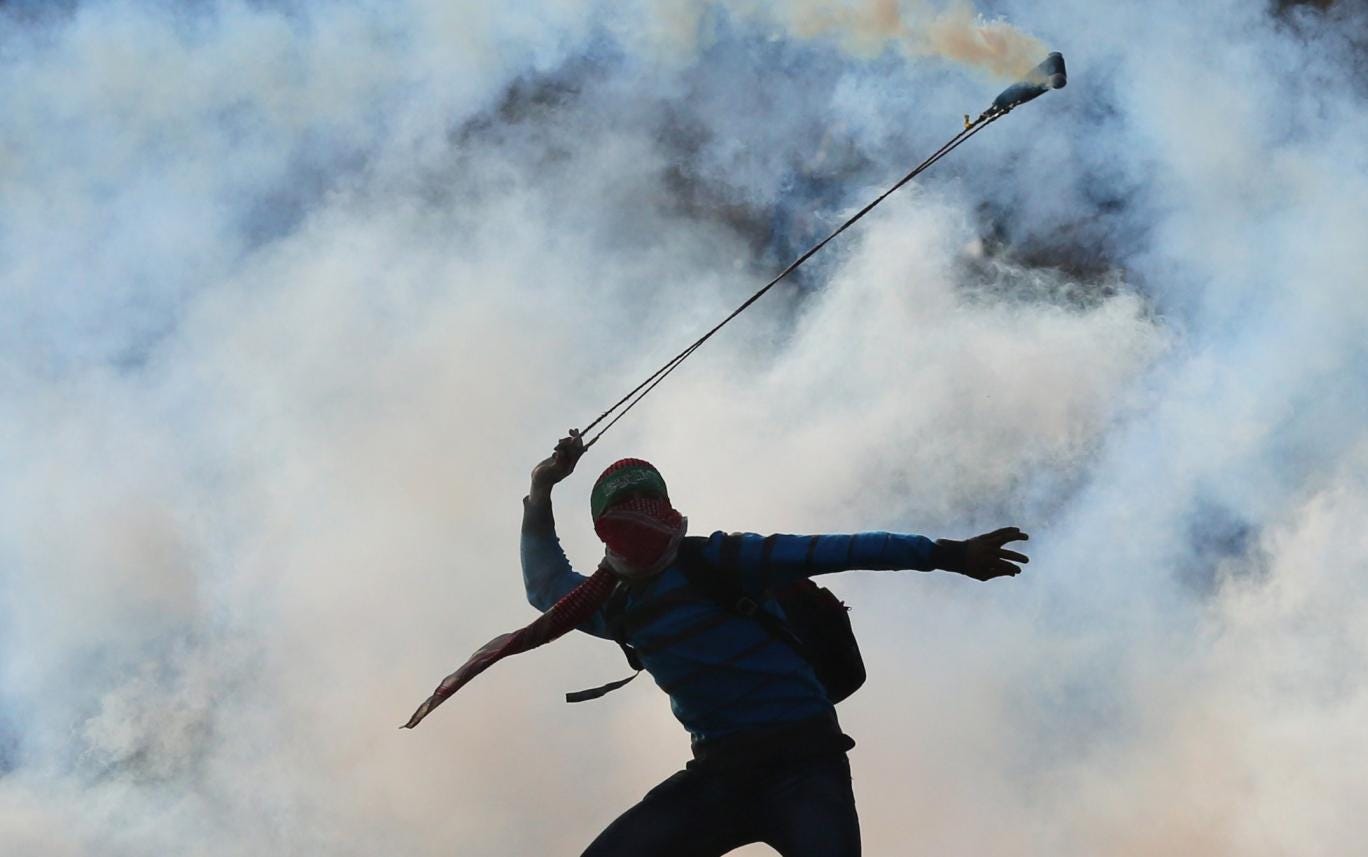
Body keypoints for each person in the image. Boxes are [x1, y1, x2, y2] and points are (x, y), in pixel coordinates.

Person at [521, 432, 1030, 857]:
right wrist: (540, 491)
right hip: (720, 774)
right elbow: (547, 590)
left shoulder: (722, 560)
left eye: (645, 509)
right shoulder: (617, 603)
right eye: (626, 515)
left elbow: (841, 551)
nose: (639, 522)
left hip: (805, 764)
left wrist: (950, 555)